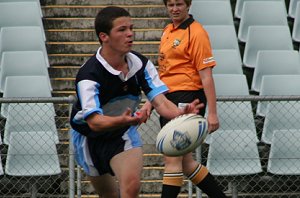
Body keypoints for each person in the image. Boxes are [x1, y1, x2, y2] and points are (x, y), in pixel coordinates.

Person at [69, 6, 203, 198]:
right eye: (122, 30)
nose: (130, 34)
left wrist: (180, 114)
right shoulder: (89, 75)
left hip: (123, 134)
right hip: (88, 138)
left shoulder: (141, 64)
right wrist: (123, 120)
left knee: (131, 188)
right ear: (104, 36)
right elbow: (95, 122)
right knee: (109, 195)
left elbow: (162, 103)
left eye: (131, 28)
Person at [156, 0, 227, 197]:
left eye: (179, 3)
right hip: (169, 98)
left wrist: (212, 113)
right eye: (170, 4)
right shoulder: (167, 30)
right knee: (186, 163)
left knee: (172, 159)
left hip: (187, 99)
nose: (174, 9)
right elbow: (165, 71)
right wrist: (153, 103)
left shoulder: (196, 32)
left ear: (188, 5)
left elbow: (206, 76)